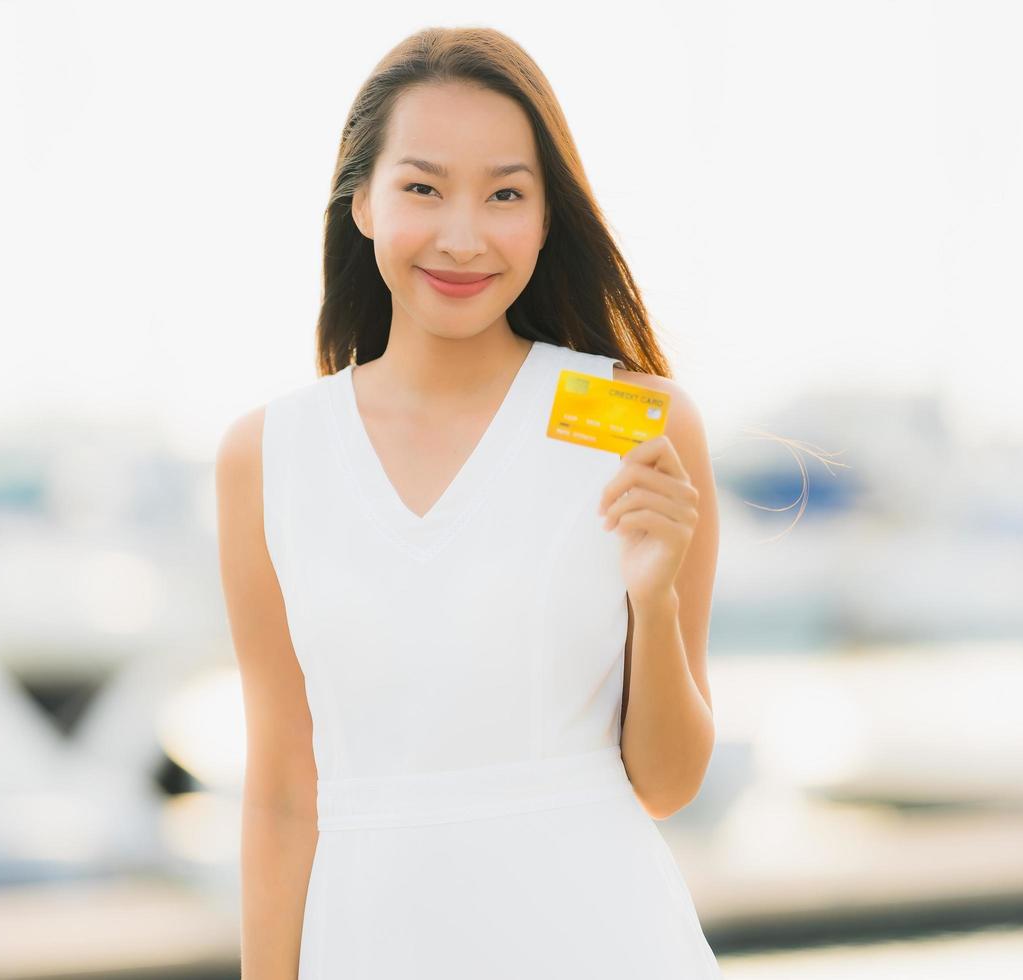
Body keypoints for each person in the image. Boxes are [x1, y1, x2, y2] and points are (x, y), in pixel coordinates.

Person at [215, 25, 722, 979]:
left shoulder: (621, 416)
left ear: (546, 217)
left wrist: (651, 604)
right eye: (422, 187)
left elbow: (668, 783)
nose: (463, 234)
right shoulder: (271, 453)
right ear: (360, 201)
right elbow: (284, 788)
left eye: (504, 194)